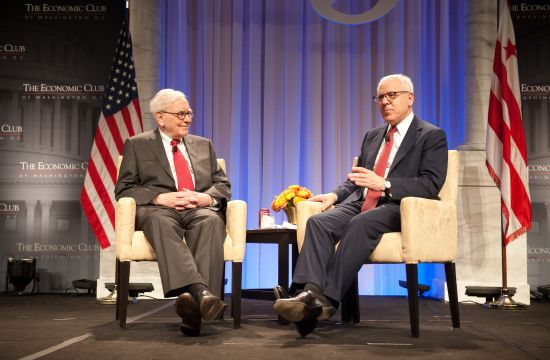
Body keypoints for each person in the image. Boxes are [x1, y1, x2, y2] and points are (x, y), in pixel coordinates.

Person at [273, 74, 448, 337]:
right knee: (319, 222)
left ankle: (327, 302)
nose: (385, 102)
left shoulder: (431, 135)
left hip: (399, 206)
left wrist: (386, 184)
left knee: (360, 223)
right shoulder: (373, 136)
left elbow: (430, 184)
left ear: (410, 98)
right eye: (380, 97)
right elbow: (358, 180)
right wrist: (334, 195)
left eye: (392, 95)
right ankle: (307, 294)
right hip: (362, 201)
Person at [115, 89, 230, 336]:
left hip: (196, 208)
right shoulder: (138, 145)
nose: (187, 118)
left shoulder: (203, 145)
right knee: (159, 222)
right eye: (180, 114)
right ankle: (203, 293)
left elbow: (222, 185)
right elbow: (124, 189)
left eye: (189, 113)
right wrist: (157, 197)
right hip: (158, 210)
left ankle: (192, 306)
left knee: (211, 221)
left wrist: (205, 197)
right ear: (160, 117)